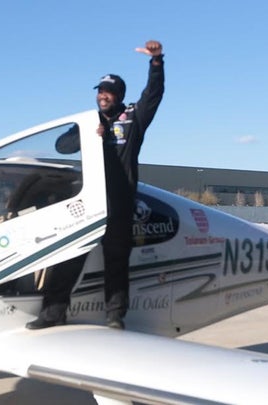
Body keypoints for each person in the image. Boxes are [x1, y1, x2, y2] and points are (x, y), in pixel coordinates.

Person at [26, 40, 165, 330]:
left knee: (116, 262)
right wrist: (88, 135)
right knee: (69, 253)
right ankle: (53, 312)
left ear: (119, 96)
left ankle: (115, 316)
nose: (103, 96)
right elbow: (62, 145)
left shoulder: (133, 118)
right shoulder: (88, 121)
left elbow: (153, 94)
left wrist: (156, 62)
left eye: (109, 92)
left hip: (120, 202)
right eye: (101, 91)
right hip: (87, 203)